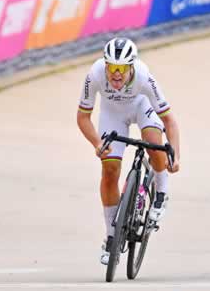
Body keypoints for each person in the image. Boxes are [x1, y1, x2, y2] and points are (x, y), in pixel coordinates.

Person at [77, 38, 181, 265]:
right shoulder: (95, 74)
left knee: (154, 141)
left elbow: (169, 120)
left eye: (122, 69)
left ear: (131, 66)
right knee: (110, 170)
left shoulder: (144, 77)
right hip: (112, 115)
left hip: (142, 108)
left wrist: (175, 154)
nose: (116, 74)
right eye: (111, 67)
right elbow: (83, 117)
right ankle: (111, 236)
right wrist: (96, 142)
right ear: (105, 65)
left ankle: (161, 192)